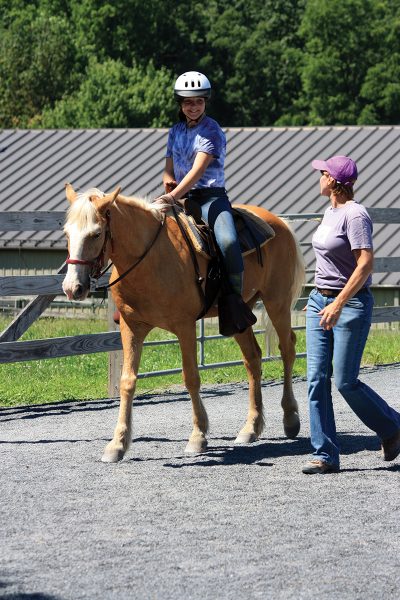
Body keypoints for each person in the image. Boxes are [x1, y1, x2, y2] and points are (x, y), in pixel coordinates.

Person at [302, 155, 400, 474]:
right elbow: (328, 261)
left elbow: (365, 264)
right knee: (316, 379)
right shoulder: (330, 212)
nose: (318, 176)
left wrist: (337, 302)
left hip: (351, 305)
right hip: (321, 302)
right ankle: (325, 454)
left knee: (345, 381)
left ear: (333, 181)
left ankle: (392, 428)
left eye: (323, 173)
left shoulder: (355, 215)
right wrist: (318, 296)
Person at [152, 71, 245, 299]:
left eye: (198, 102)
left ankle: (234, 299)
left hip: (210, 198)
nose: (193, 107)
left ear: (205, 102)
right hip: (180, 196)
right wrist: (168, 180)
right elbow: (168, 167)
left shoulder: (211, 130)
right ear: (181, 104)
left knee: (228, 241)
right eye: (188, 102)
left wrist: (172, 197)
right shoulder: (175, 130)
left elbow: (198, 170)